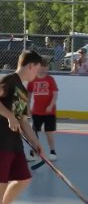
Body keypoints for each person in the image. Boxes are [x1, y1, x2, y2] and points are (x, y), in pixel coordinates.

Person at [0, 50, 44, 204]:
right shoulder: (9, 80)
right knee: (1, 184)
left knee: (24, 179)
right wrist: (9, 116)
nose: (37, 74)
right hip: (2, 142)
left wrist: (35, 141)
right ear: (31, 65)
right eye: (38, 69)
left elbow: (23, 121)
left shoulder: (22, 90)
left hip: (14, 143)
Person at [27, 59, 59, 161]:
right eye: (41, 68)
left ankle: (52, 151)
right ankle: (33, 152)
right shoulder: (33, 80)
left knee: (49, 132)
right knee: (34, 133)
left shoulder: (50, 79)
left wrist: (51, 105)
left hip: (49, 112)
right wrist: (27, 106)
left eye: (46, 68)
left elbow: (55, 94)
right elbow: (28, 94)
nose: (43, 70)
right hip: (36, 112)